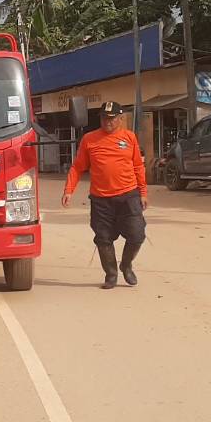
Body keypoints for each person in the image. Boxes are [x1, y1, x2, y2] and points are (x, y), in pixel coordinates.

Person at [62, 101, 147, 288]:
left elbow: (138, 167)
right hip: (101, 199)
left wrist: (143, 192)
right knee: (103, 238)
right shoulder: (89, 139)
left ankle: (126, 265)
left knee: (137, 235)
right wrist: (69, 190)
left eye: (111, 118)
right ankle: (111, 274)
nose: (107, 122)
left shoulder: (129, 138)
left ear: (120, 118)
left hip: (128, 196)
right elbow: (78, 167)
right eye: (103, 118)